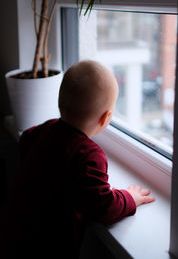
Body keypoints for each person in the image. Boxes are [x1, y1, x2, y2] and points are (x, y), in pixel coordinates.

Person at [0, 60, 155, 258]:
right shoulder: (88, 154)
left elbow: (27, 140)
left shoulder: (44, 130)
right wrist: (129, 198)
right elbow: (103, 206)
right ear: (105, 118)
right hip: (43, 247)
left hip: (10, 232)